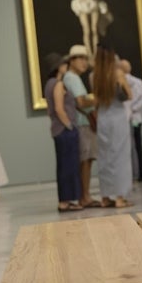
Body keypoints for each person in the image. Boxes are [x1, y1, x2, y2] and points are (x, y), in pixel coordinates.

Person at [93, 46, 133, 208]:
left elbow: (96, 100)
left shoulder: (94, 76)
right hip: (117, 117)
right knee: (120, 156)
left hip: (102, 117)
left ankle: (105, 196)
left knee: (104, 157)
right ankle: (120, 196)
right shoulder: (118, 74)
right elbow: (129, 95)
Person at [62, 45, 102, 208]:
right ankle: (85, 196)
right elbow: (81, 101)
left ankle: (84, 195)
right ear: (72, 60)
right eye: (81, 58)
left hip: (83, 123)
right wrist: (98, 100)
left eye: (86, 58)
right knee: (85, 160)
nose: (84, 62)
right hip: (82, 123)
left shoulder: (71, 77)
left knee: (87, 160)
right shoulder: (72, 78)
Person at [44, 53, 83, 212]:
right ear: (57, 67)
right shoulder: (58, 84)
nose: (65, 65)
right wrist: (69, 125)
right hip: (64, 130)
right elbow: (59, 108)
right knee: (68, 165)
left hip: (58, 130)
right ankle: (65, 201)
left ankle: (65, 200)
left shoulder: (49, 83)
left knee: (64, 165)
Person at [119, 59, 142, 182]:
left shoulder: (136, 82)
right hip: (125, 117)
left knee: (136, 145)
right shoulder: (121, 82)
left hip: (134, 118)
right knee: (130, 146)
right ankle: (132, 172)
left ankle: (139, 171)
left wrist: (132, 109)